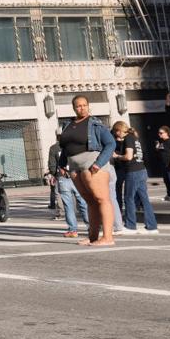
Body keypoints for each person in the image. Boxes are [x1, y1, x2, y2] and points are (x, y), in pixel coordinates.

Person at [57, 95, 116, 247]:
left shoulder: (95, 124)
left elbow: (110, 143)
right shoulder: (67, 125)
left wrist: (98, 164)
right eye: (78, 106)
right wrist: (62, 164)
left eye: (84, 105)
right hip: (75, 167)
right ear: (73, 108)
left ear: (88, 106)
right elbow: (65, 147)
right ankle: (93, 237)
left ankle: (108, 237)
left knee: (102, 199)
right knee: (90, 202)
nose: (81, 108)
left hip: (92, 164)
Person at [111, 122, 158, 235]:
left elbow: (128, 156)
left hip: (133, 171)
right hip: (141, 170)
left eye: (116, 132)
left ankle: (131, 226)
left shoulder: (128, 138)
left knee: (129, 198)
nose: (116, 135)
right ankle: (152, 226)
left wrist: (116, 156)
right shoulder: (134, 138)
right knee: (144, 199)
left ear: (119, 130)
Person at [47, 135, 88, 237]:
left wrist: (55, 174)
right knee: (83, 203)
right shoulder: (77, 145)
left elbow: (52, 165)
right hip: (77, 176)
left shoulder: (54, 148)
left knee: (68, 206)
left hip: (63, 178)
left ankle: (72, 230)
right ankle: (91, 226)